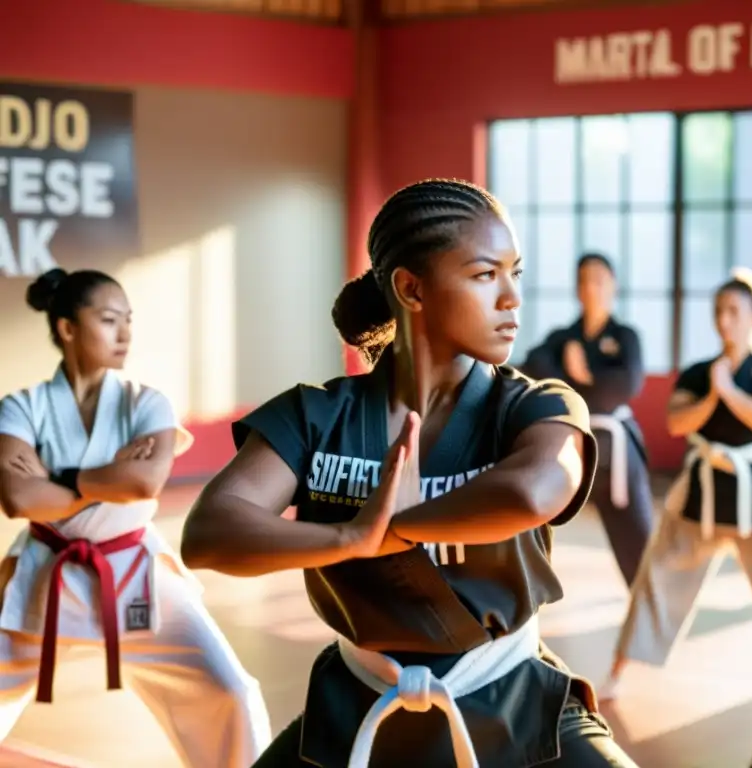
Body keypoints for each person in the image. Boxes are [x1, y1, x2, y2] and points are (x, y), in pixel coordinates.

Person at [180, 179, 640, 768]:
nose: (511, 299)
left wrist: (393, 528)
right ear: (411, 288)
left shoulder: (534, 404)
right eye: (484, 275)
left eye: (514, 274)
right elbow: (210, 531)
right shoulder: (317, 416)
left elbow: (535, 488)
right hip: (359, 703)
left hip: (512, 702)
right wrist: (348, 537)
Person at [0, 268, 271, 766]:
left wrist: (55, 475)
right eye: (108, 319)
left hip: (135, 574)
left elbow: (143, 483)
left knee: (230, 691)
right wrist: (106, 475)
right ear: (67, 328)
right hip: (45, 575)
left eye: (129, 320)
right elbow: (18, 497)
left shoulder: (147, 404)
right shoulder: (21, 407)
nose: (124, 332)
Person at [600, 268, 752, 702]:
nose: (725, 320)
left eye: (734, 311)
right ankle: (619, 668)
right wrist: (715, 391)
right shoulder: (700, 373)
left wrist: (727, 389)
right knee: (656, 576)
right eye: (719, 311)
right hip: (702, 493)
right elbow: (677, 421)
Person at [520, 253, 654, 588]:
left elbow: (625, 386)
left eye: (598, 279)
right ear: (576, 289)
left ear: (613, 286)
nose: (591, 287)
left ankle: (647, 614)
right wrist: (580, 377)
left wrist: (581, 375)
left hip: (616, 449)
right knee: (529, 516)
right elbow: (530, 367)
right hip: (568, 443)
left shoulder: (625, 336)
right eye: (583, 280)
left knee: (638, 547)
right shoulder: (564, 337)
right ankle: (527, 599)